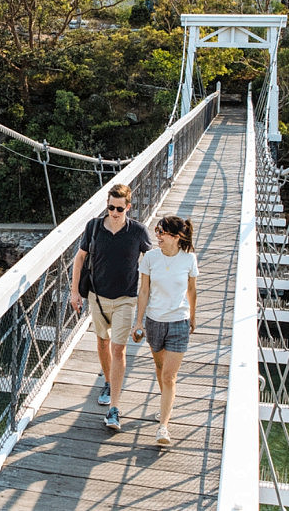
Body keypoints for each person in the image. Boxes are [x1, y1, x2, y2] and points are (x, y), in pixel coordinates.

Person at [70, 183, 152, 431]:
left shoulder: (138, 231)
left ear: (128, 207)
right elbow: (80, 258)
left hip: (126, 298)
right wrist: (74, 292)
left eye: (119, 208)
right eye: (110, 208)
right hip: (97, 297)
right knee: (102, 342)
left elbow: (151, 264)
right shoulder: (94, 226)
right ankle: (107, 380)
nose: (114, 213)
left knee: (118, 349)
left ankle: (114, 409)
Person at [132, 215, 198, 445]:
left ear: (176, 237)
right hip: (154, 321)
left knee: (169, 375)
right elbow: (144, 292)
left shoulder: (189, 259)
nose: (157, 236)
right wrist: (138, 322)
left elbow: (192, 290)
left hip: (179, 321)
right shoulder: (150, 257)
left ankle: (163, 427)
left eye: (161, 232)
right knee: (160, 368)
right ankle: (165, 404)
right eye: (157, 231)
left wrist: (193, 316)